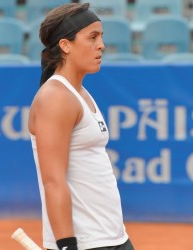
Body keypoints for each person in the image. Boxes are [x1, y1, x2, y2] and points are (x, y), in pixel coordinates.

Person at [28, 3, 134, 250]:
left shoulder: (80, 93)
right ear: (65, 45)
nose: (101, 45)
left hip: (112, 236)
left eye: (101, 37)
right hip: (87, 243)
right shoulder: (56, 97)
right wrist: (66, 245)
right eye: (92, 37)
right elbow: (53, 181)